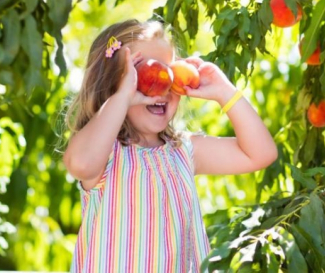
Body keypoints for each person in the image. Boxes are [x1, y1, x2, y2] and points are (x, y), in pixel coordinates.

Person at [63, 18, 278, 273]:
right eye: (144, 74)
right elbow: (80, 163)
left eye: (170, 74)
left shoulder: (183, 151)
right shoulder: (107, 154)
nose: (161, 85)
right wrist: (123, 96)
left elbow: (261, 153)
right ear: (114, 86)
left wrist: (224, 91)